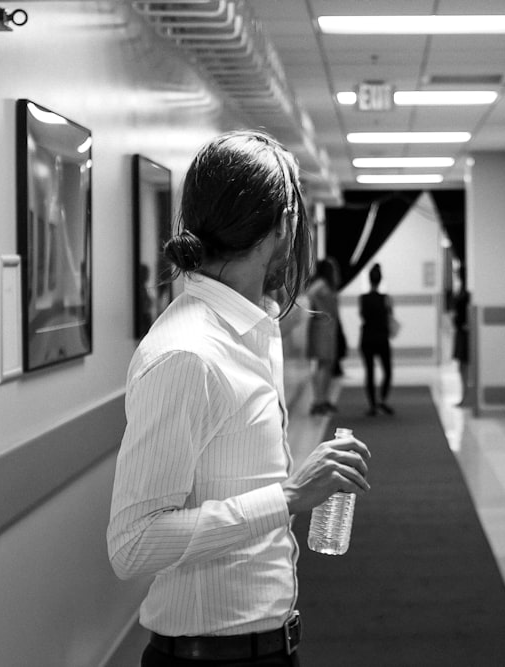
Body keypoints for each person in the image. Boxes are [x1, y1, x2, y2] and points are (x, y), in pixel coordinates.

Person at [107, 130, 371, 667]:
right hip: (211, 659)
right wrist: (289, 496)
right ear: (282, 225)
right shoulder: (188, 354)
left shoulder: (253, 329)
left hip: (264, 646)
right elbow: (131, 544)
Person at [358, 263, 394, 417]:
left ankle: (372, 404)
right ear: (380, 280)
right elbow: (390, 316)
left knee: (370, 372)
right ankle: (382, 400)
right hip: (382, 338)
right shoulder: (386, 299)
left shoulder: (363, 298)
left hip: (367, 338)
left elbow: (363, 316)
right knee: (387, 370)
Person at [306, 258, 339, 415]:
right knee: (322, 363)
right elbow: (310, 294)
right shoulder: (321, 283)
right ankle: (318, 400)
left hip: (327, 327)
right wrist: (320, 311)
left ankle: (323, 399)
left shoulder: (328, 284)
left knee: (327, 364)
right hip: (321, 327)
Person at [451, 266, 472, 407]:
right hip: (460, 331)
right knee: (461, 367)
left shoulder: (466, 293)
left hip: (464, 332)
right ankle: (464, 396)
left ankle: (467, 396)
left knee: (464, 366)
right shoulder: (462, 291)